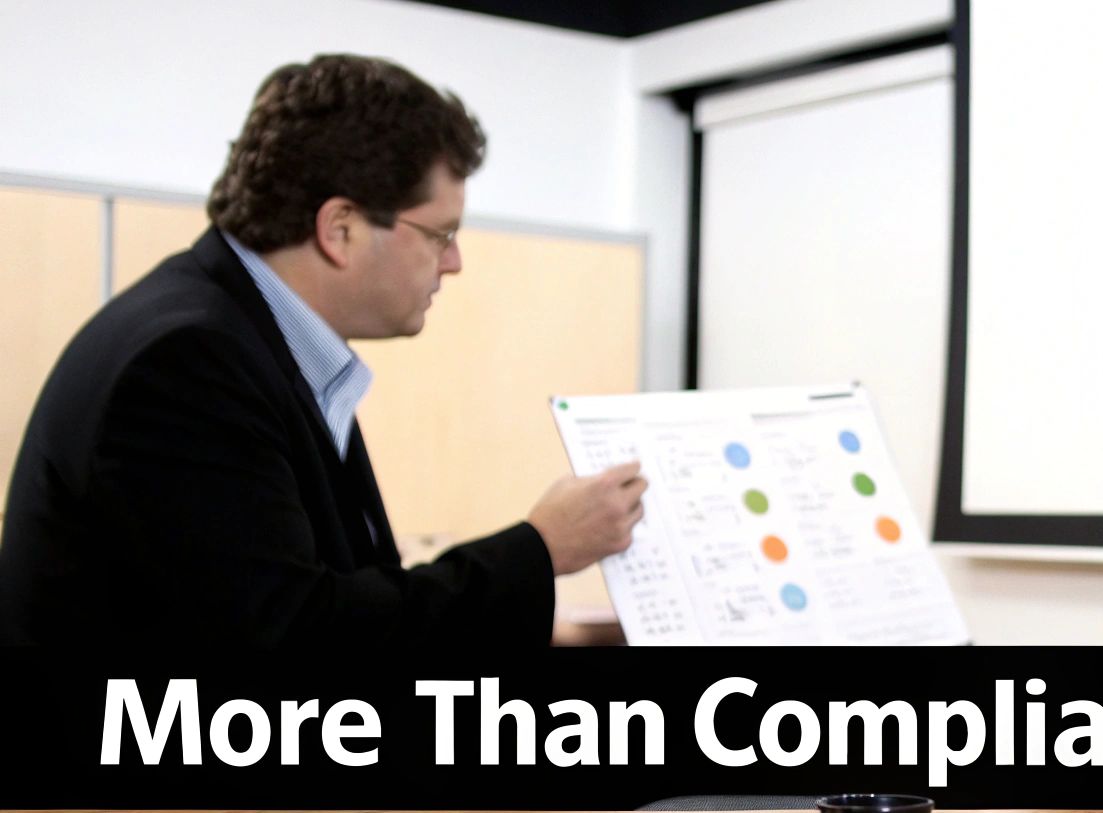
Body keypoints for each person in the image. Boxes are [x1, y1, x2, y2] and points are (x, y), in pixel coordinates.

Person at [0, 55, 646, 646]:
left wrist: (564, 635)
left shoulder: (254, 343)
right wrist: (539, 549)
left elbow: (343, 598)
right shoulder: (183, 365)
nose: (454, 263)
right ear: (341, 229)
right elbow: (298, 639)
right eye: (440, 234)